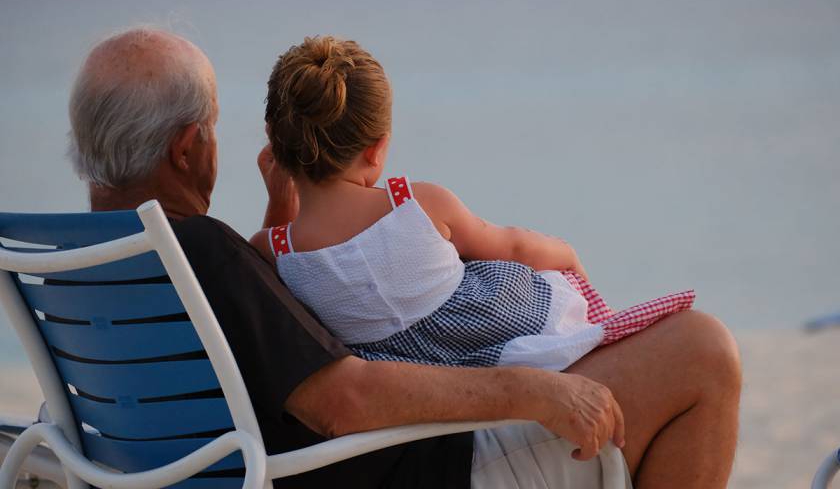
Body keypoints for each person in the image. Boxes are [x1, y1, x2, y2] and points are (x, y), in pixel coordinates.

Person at [68, 26, 741, 488]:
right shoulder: (203, 252)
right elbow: (345, 400)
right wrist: (536, 389)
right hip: (423, 469)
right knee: (702, 349)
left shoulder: (84, 267)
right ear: (188, 148)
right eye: (211, 130)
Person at [252, 36, 695, 374]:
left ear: (277, 145)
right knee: (542, 272)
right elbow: (513, 246)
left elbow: (276, 276)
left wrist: (280, 202)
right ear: (377, 148)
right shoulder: (414, 202)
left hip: (405, 376)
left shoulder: (273, 249)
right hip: (491, 334)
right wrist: (566, 256)